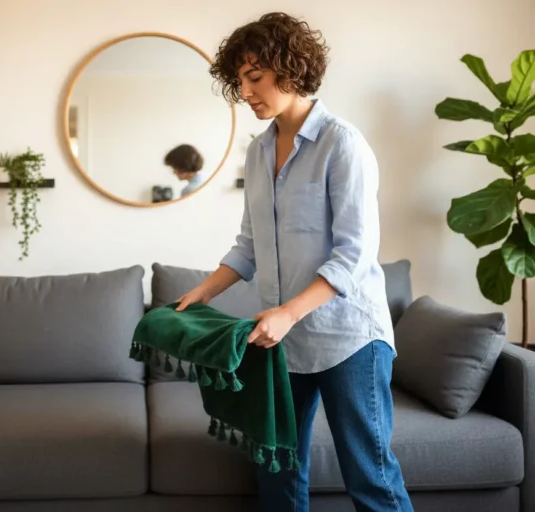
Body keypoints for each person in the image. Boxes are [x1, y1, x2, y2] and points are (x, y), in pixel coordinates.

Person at [175, 12, 414, 512]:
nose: (245, 92)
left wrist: (287, 313)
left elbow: (353, 255)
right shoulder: (258, 153)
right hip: (284, 343)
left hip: (350, 338)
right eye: (240, 81)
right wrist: (203, 291)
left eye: (255, 77)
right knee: (276, 469)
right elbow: (249, 245)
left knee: (369, 475)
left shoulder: (342, 144)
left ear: (290, 68)